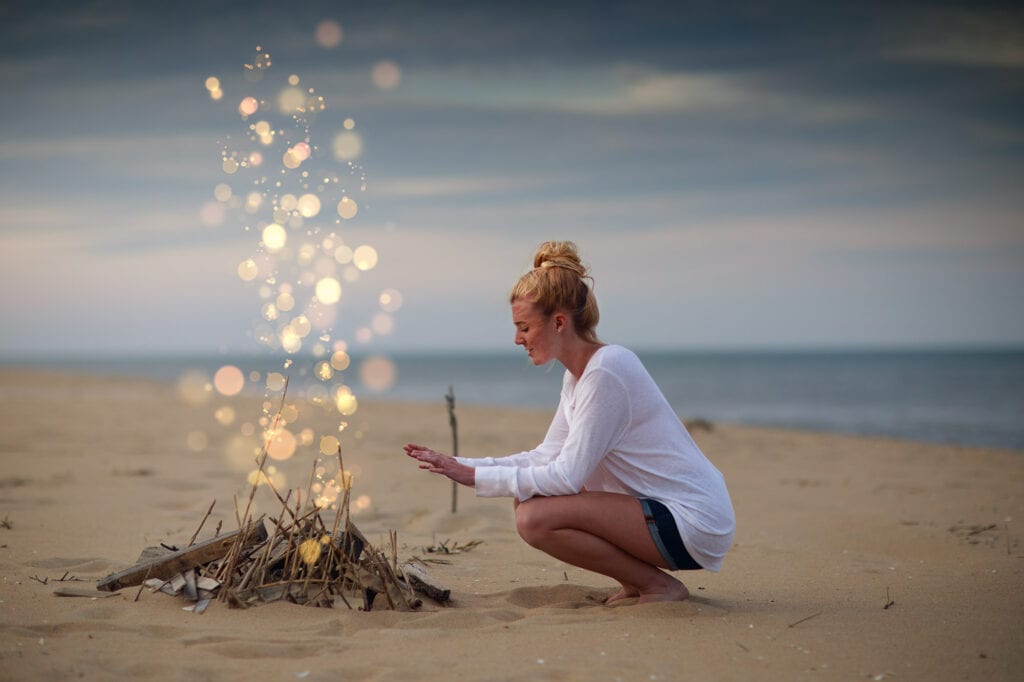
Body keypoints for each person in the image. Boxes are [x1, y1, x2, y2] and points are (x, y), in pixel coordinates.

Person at [405, 241, 735, 604]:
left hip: (693, 520)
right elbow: (548, 454)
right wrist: (464, 466)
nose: (517, 339)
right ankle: (638, 582)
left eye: (524, 327)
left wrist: (475, 477)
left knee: (534, 517)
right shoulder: (579, 376)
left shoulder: (607, 370)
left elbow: (567, 476)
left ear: (559, 322)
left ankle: (658, 586)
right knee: (528, 502)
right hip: (663, 513)